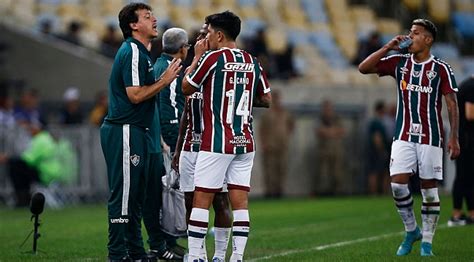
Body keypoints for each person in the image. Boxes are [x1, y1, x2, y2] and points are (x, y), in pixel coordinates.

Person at [359, 18, 460, 256]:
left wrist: (454, 137)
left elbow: (452, 104)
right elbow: (363, 68)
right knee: (397, 184)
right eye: (410, 32)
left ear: (428, 39)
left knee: (428, 189)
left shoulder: (441, 69)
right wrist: (387, 47)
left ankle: (427, 242)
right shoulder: (399, 62)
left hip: (431, 136)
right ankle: (411, 230)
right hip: (403, 135)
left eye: (415, 33)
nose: (409, 36)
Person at [182, 11, 271, 261]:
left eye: (208, 32)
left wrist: (198, 57)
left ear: (219, 35)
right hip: (245, 140)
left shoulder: (211, 58)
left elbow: (186, 87)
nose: (206, 37)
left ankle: (198, 255)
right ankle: (236, 257)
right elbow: (266, 99)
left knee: (201, 198)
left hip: (217, 141)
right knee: (239, 202)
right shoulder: (252, 60)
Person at [99, 3, 182, 261]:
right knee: (124, 195)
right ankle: (117, 253)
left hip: (136, 131)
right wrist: (164, 81)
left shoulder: (142, 53)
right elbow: (134, 95)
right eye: (147, 17)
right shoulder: (133, 51)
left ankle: (135, 251)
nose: (155, 20)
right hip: (124, 129)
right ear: (134, 25)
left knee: (135, 196)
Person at [172, 23, 233, 262]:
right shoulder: (193, 68)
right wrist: (178, 150)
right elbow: (186, 113)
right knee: (190, 201)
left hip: (215, 145)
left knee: (219, 200)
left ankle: (219, 255)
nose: (200, 39)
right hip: (190, 145)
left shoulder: (222, 66)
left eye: (203, 35)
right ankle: (198, 254)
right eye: (197, 36)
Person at [143, 27, 190, 261]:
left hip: (158, 138)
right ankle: (162, 243)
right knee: (166, 193)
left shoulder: (159, 64)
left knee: (165, 193)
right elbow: (169, 111)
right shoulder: (172, 69)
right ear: (182, 48)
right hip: (167, 141)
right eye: (187, 46)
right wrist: (174, 143)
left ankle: (167, 241)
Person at [0, 123, 67, 207]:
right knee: (18, 167)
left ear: (38, 129)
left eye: (32, 128)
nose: (29, 131)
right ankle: (23, 198)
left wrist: (8, 158)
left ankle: (22, 199)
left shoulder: (41, 140)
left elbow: (30, 159)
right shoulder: (46, 138)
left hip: (46, 173)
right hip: (51, 171)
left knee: (15, 167)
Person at [448, 75, 474, 226]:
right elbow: (470, 113)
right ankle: (457, 214)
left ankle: (468, 212)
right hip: (466, 139)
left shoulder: (467, 84)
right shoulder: (471, 87)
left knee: (466, 176)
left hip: (464, 137)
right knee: (465, 176)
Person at [258, 89, 294, 198]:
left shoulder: (285, 113)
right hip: (270, 145)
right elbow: (262, 129)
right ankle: (270, 191)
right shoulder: (267, 114)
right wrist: (263, 143)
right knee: (270, 170)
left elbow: (291, 125)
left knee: (282, 168)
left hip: (282, 145)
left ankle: (280, 190)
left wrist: (286, 136)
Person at [315, 99, 346, 195]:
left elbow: (342, 131)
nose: (327, 110)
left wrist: (328, 132)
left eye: (329, 108)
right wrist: (333, 132)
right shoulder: (320, 119)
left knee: (337, 173)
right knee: (323, 173)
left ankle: (337, 191)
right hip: (324, 150)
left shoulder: (337, 118)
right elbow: (319, 131)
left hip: (336, 150)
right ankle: (323, 192)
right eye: (326, 108)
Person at [367, 101, 390, 195]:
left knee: (380, 172)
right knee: (376, 172)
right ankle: (376, 192)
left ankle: (378, 192)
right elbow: (377, 137)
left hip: (376, 150)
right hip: (377, 150)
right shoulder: (377, 122)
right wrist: (381, 150)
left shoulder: (379, 121)